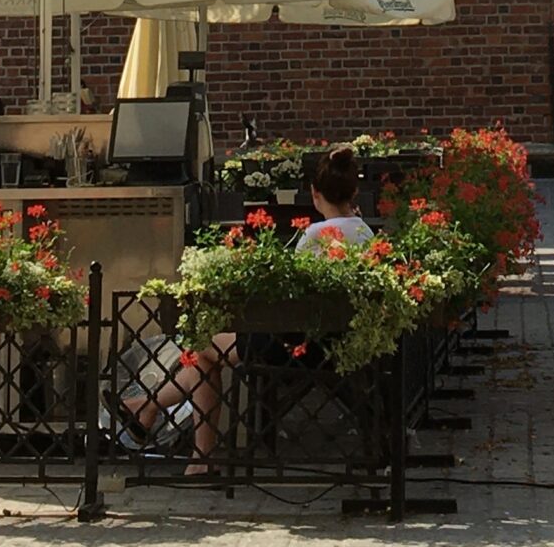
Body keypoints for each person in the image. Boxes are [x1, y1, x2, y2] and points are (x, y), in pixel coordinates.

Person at [124, 145, 373, 470]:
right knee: (206, 350)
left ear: (313, 193)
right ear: (354, 190)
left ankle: (198, 455)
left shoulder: (314, 236)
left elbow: (288, 304)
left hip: (296, 347)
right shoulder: (365, 233)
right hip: (340, 343)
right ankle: (147, 408)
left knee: (202, 350)